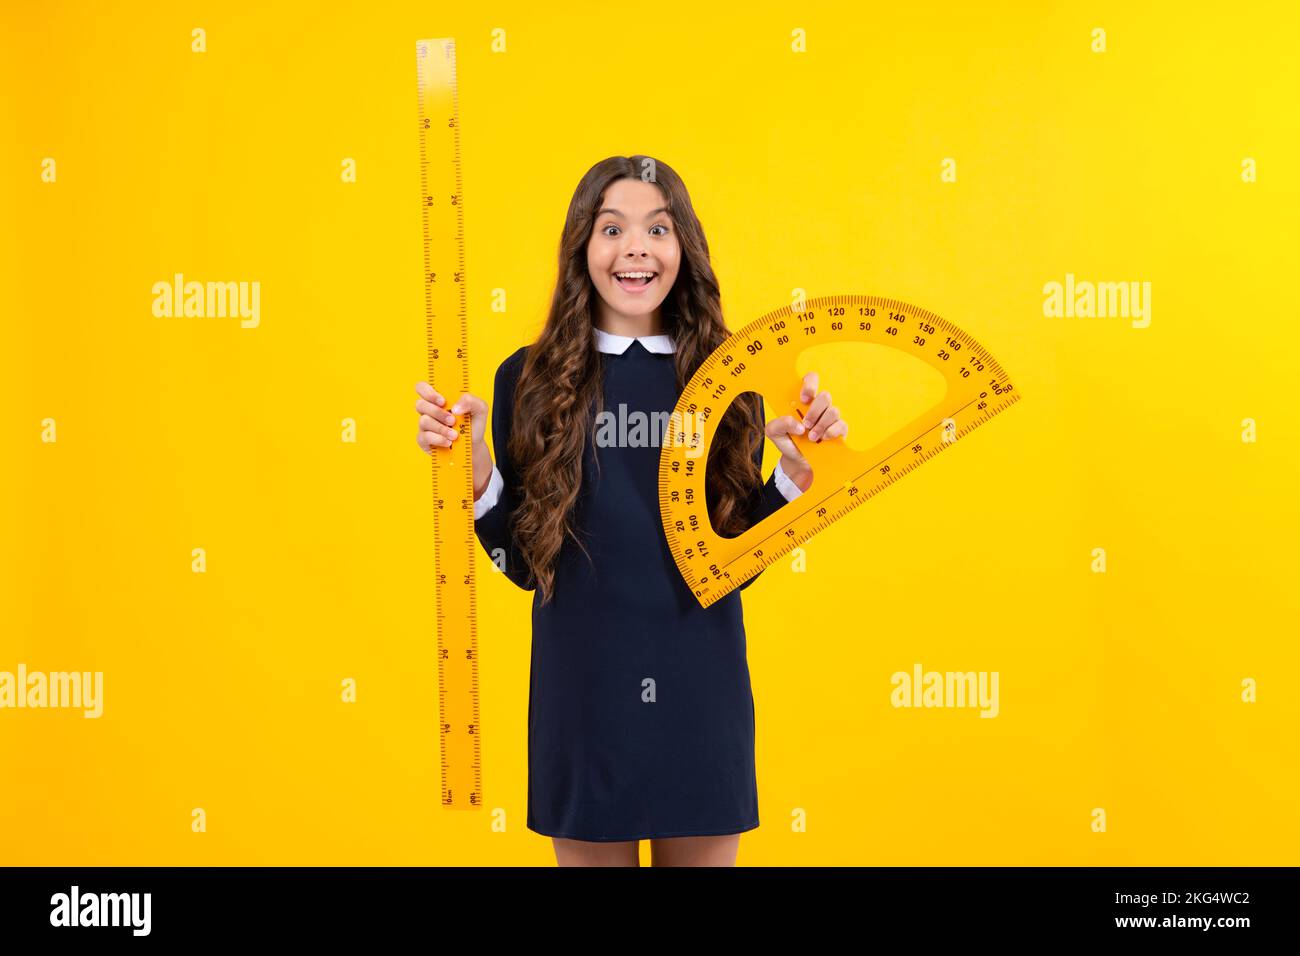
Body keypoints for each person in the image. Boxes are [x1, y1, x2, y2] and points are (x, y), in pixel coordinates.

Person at [415, 156, 846, 866]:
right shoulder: (526, 379)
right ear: (582, 246)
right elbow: (525, 568)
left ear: (686, 250)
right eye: (612, 228)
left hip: (700, 701)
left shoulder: (731, 381)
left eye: (658, 228)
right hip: (582, 703)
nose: (636, 247)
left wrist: (792, 479)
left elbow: (729, 568)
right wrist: (482, 478)